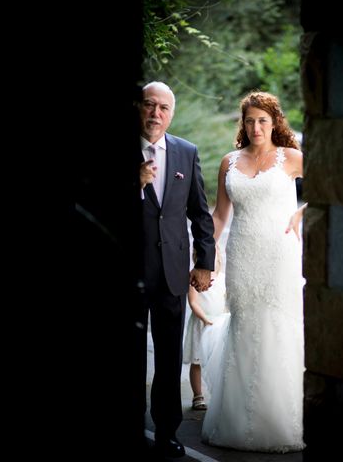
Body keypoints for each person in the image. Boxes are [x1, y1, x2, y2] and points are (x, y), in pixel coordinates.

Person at [201, 91, 307, 452]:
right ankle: (236, 421)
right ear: (242, 124)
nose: (256, 126)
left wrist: (301, 211)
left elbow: (332, 181)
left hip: (280, 255)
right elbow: (218, 215)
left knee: (277, 328)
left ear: (275, 121)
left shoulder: (291, 158)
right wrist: (203, 256)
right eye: (249, 120)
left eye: (263, 120)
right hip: (242, 254)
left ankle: (277, 423)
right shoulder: (230, 161)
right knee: (244, 327)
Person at [135, 81, 215, 458]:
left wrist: (205, 262)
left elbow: (200, 212)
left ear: (172, 113)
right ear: (139, 108)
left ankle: (166, 432)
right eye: (149, 105)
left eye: (163, 108)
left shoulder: (186, 151)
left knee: (168, 359)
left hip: (172, 271)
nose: (155, 114)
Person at [182, 244, 227, 411]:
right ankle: (197, 395)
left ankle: (218, 393)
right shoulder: (195, 277)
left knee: (218, 360)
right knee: (197, 361)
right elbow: (193, 302)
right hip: (201, 325)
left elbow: (225, 299)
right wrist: (205, 319)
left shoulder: (222, 278)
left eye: (213, 253)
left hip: (217, 325)